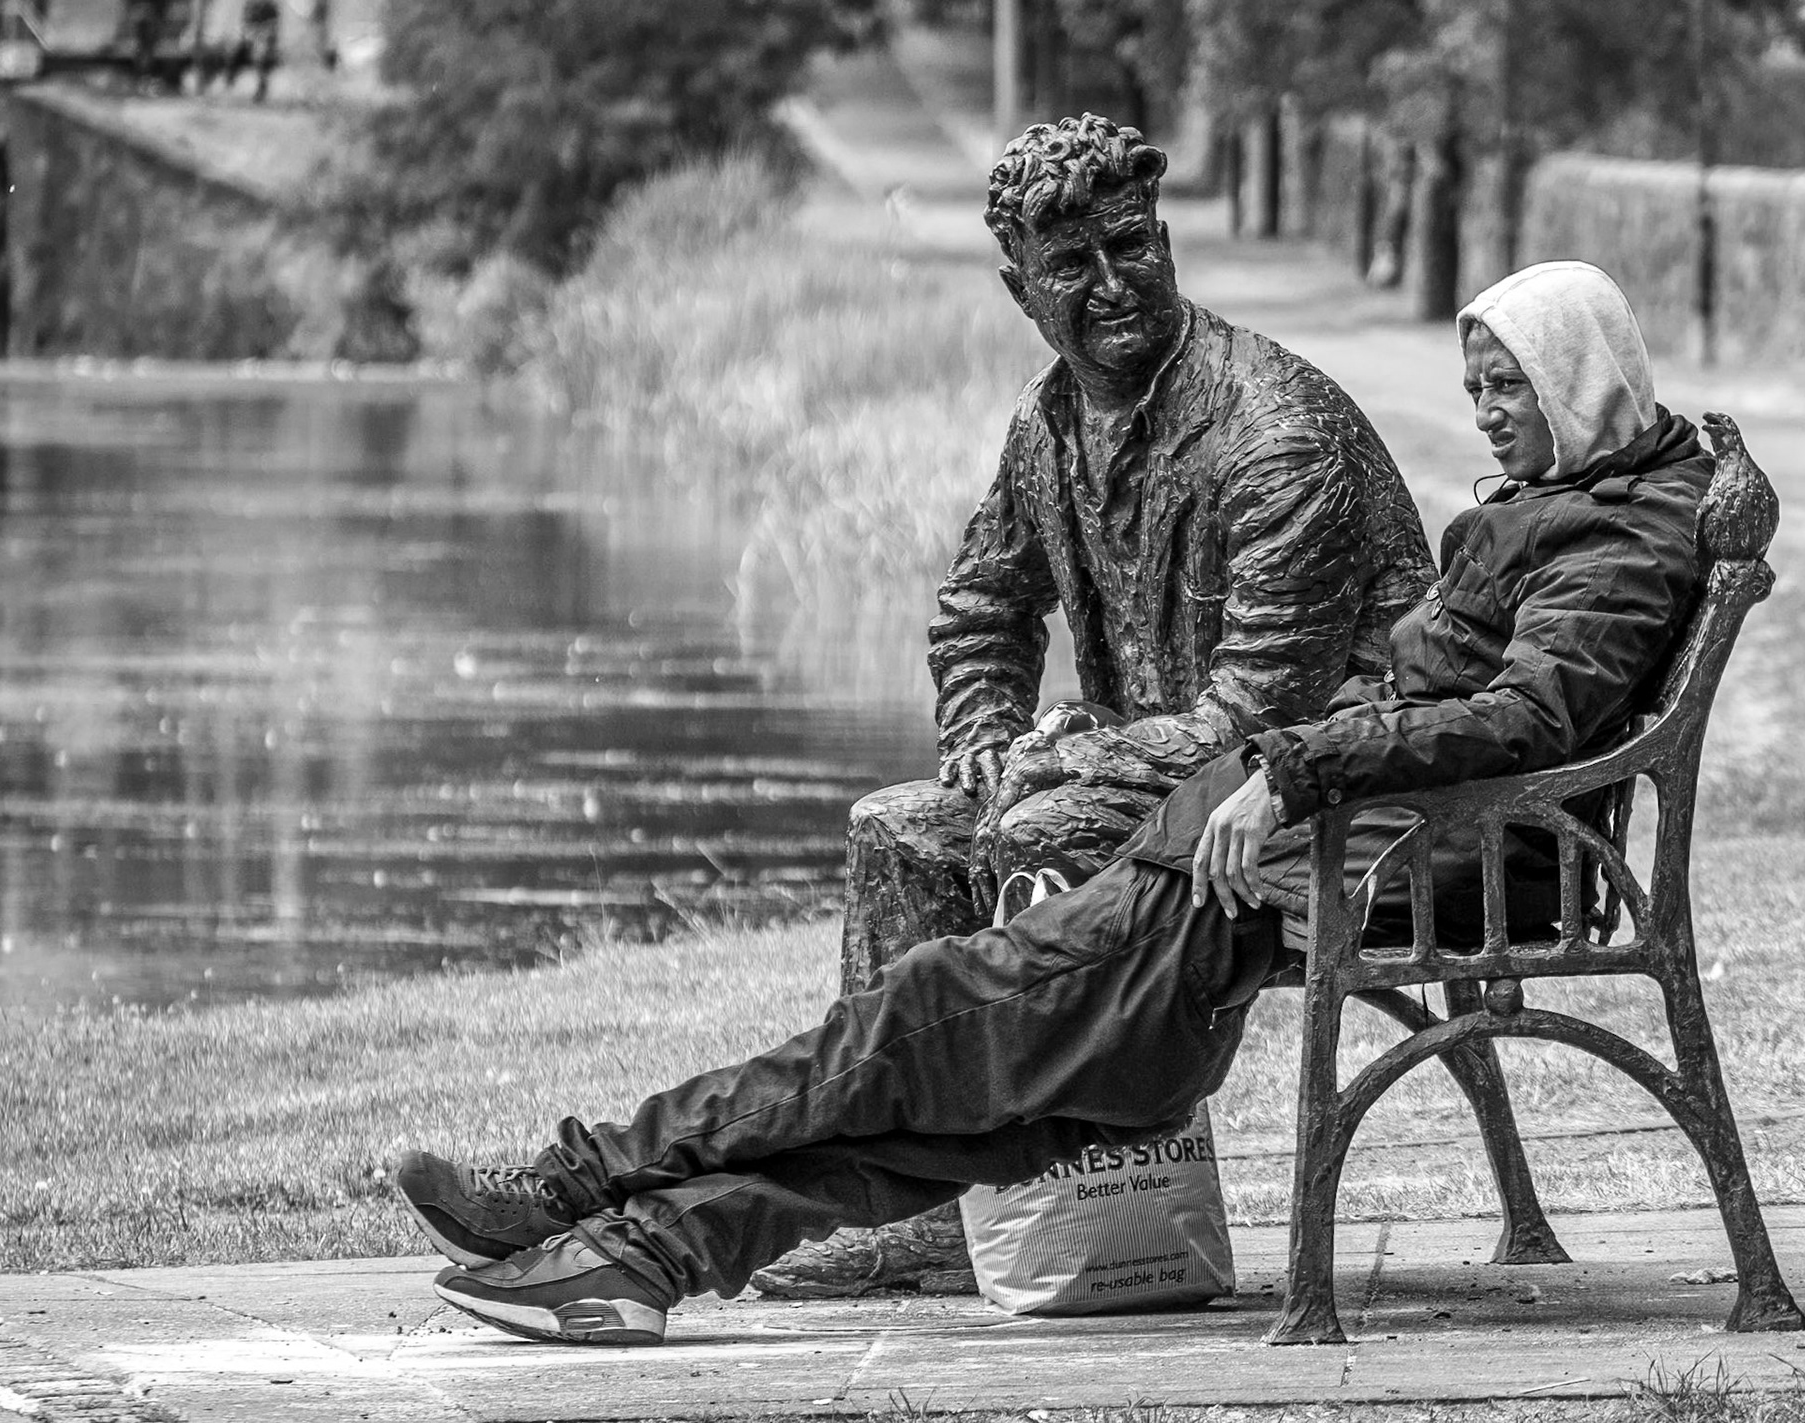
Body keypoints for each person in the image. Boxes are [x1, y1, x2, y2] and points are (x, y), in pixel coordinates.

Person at [396, 259, 1712, 1347]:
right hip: (1337, 849)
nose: (1485, 409)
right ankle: (640, 1250)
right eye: (1475, 383)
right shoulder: (1578, 500)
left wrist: (1297, 766)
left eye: (1509, 386)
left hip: (1396, 860)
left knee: (932, 1019)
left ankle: (579, 1181)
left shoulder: (1607, 535)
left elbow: (1530, 720)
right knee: (1015, 1097)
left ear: (1581, 376)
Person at [789, 110, 1434, 1295]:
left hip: (1335, 809)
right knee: (901, 828)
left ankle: (1074, 1197)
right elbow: (984, 607)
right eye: (1071, 266)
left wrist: (1069, 766)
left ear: (1166, 238)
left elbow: (1260, 712)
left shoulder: (1275, 437)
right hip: (1171, 783)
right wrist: (986, 732)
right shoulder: (1046, 425)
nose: (1112, 283)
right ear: (1019, 288)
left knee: (1039, 825)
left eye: (1130, 246)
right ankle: (919, 1203)